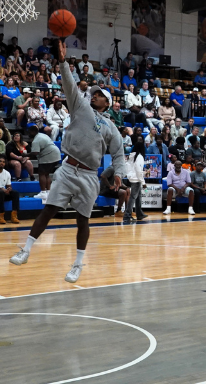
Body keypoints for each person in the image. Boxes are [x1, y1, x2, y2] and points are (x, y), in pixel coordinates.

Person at [10, 40, 125, 284]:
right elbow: (69, 84)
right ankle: (26, 250)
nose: (94, 95)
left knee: (82, 220)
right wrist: (62, 62)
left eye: (100, 94)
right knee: (49, 209)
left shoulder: (111, 127)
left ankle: (77, 264)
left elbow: (118, 154)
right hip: (67, 168)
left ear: (108, 102)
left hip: (88, 175)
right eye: (93, 93)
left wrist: (119, 173)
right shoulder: (80, 106)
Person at [123, 140, 148, 223]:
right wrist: (143, 182)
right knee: (133, 197)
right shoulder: (139, 157)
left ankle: (139, 213)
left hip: (133, 178)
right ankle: (127, 215)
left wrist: (130, 175)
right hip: (136, 179)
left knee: (138, 197)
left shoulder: (131, 156)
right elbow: (138, 170)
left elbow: (129, 168)